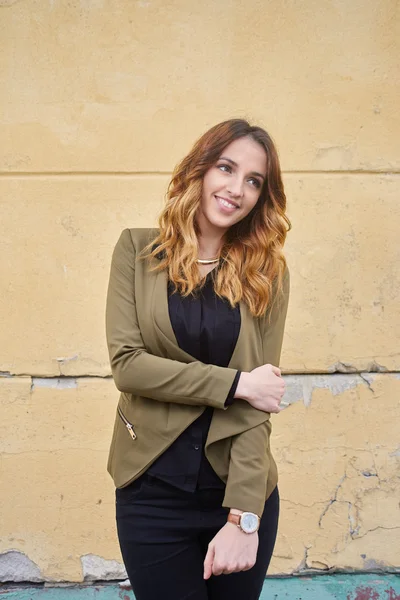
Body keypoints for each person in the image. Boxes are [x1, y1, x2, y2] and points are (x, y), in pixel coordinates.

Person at [105, 118, 291, 600]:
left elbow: (261, 400)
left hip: (237, 491)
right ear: (200, 170)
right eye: (226, 168)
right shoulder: (136, 250)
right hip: (152, 490)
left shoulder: (266, 271)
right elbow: (129, 365)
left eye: (254, 181)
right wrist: (235, 384)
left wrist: (243, 517)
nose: (237, 189)